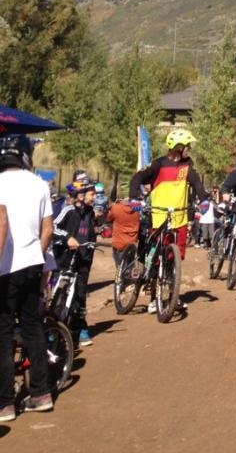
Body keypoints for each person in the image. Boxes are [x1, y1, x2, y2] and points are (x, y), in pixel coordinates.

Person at [0, 135, 54, 419]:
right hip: (33, 264)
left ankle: (5, 402)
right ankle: (41, 393)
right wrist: (36, 254)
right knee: (33, 327)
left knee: (4, 333)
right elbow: (48, 228)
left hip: (4, 268)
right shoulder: (39, 185)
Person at [129, 127, 208, 264]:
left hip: (179, 217)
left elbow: (196, 182)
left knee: (177, 255)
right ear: (178, 147)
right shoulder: (158, 164)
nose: (189, 148)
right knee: (155, 255)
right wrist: (133, 198)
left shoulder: (187, 165)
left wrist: (204, 200)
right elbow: (137, 178)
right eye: (187, 146)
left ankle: (171, 279)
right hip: (159, 216)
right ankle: (147, 276)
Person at [53, 175, 97, 347]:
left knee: (80, 295)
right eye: (91, 194)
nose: (94, 197)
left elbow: (91, 232)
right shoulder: (68, 211)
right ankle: (53, 329)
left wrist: (92, 243)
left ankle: (79, 330)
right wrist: (68, 238)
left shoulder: (90, 212)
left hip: (83, 260)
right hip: (64, 260)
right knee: (59, 295)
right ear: (81, 196)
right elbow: (54, 227)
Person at [106, 196, 143, 268]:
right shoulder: (137, 207)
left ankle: (121, 276)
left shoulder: (116, 208)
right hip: (132, 241)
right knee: (130, 263)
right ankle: (129, 275)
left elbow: (108, 218)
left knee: (120, 267)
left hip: (119, 242)